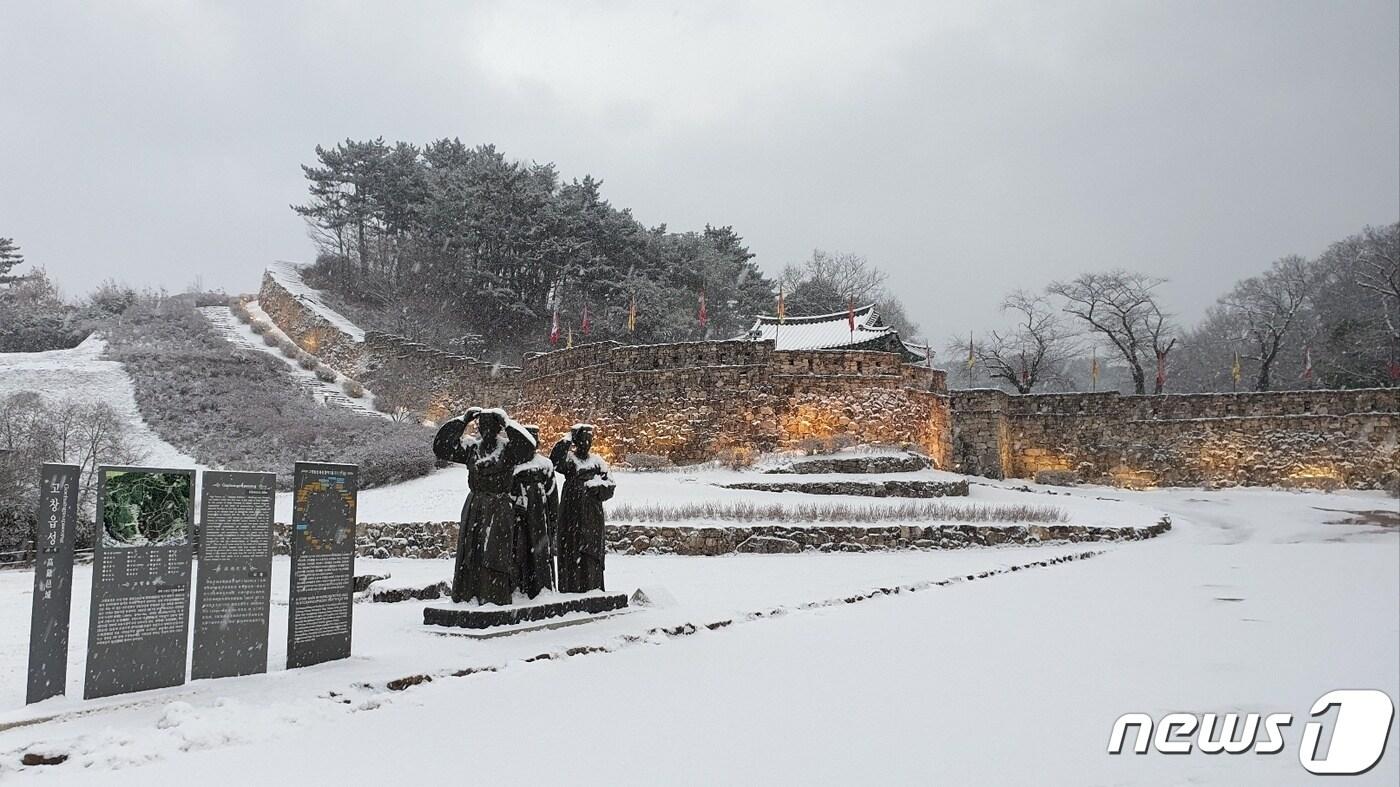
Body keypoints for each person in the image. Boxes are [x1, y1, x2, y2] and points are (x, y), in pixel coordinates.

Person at [433, 408, 531, 605]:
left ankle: (494, 595)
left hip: (499, 506)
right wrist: (462, 421)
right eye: (482, 425)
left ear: (497, 428)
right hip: (475, 506)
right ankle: (468, 594)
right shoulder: (472, 449)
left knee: (495, 553)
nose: (485, 430)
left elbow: (528, 448)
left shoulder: (508, 450)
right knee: (471, 553)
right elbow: (441, 447)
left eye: (490, 425)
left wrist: (506, 421)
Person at [550, 424, 615, 592]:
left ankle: (592, 586)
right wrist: (568, 438)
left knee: (590, 552)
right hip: (571, 513)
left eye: (589, 439)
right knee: (571, 550)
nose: (587, 443)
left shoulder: (598, 462)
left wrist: (598, 488)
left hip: (592, 515)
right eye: (583, 439)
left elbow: (610, 485)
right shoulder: (570, 460)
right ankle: (572, 587)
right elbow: (555, 461)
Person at [509, 424, 556, 598]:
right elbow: (506, 490)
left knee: (540, 553)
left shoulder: (545, 465)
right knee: (518, 551)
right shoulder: (513, 465)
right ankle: (518, 587)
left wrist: (553, 519)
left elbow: (552, 494)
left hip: (538, 517)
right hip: (518, 517)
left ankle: (541, 587)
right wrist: (514, 504)